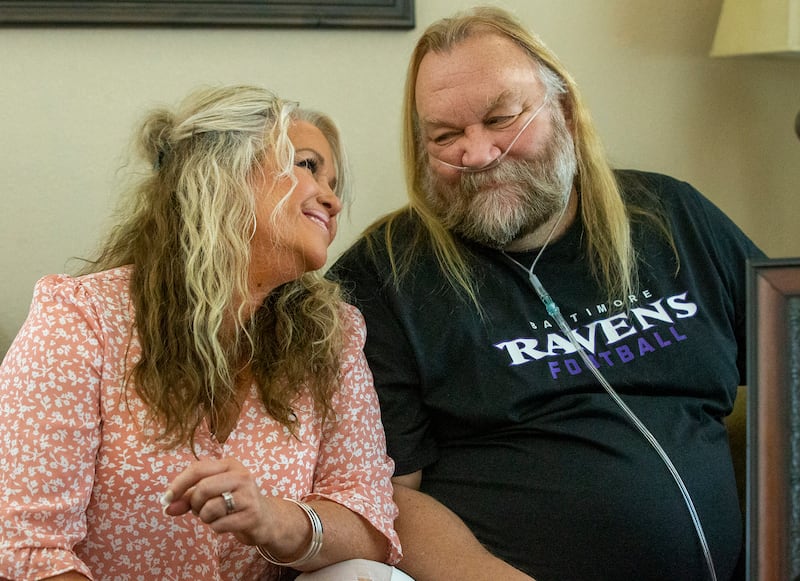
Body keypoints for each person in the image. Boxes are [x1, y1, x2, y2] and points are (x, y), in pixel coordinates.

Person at [328, 6, 766, 581]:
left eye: (501, 118)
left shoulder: (673, 218)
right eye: (445, 136)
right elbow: (386, 495)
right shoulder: (384, 278)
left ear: (564, 111)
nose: (478, 155)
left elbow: (787, 370)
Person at [0, 84, 403, 581]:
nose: (333, 200)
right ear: (222, 172)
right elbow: (25, 549)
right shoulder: (82, 318)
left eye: (334, 183)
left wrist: (274, 519)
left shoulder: (334, 336)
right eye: (307, 165)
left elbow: (371, 524)